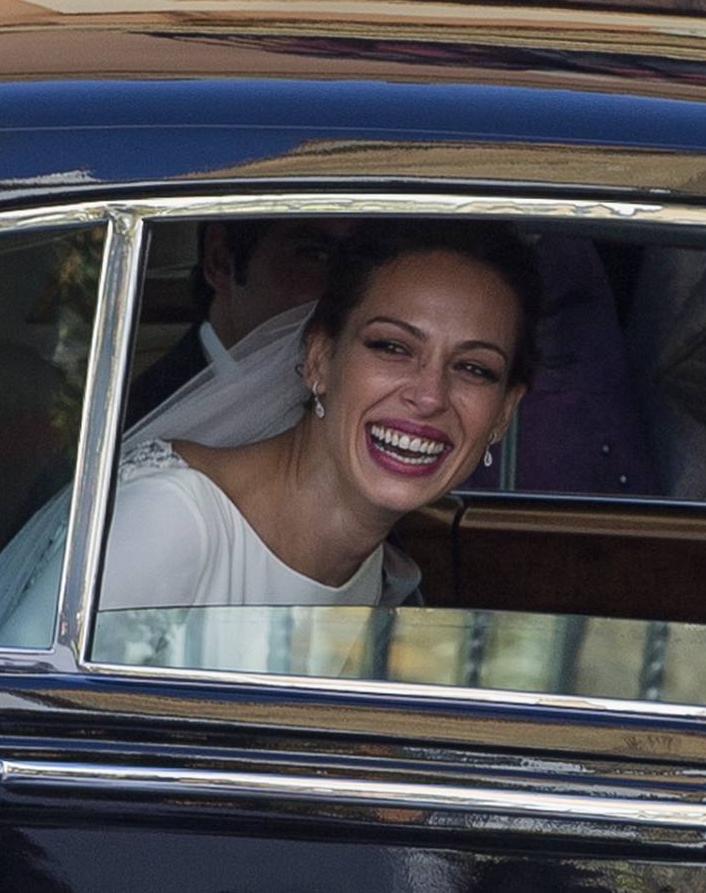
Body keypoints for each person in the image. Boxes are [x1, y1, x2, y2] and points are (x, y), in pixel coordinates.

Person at [97, 221, 542, 612]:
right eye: (391, 347)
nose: (430, 397)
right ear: (319, 358)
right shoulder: (168, 522)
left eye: (473, 369)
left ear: (504, 411)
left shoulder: (376, 570)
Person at [124, 218, 357, 424]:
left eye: (360, 263)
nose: (348, 292)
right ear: (221, 260)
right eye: (315, 255)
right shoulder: (134, 426)